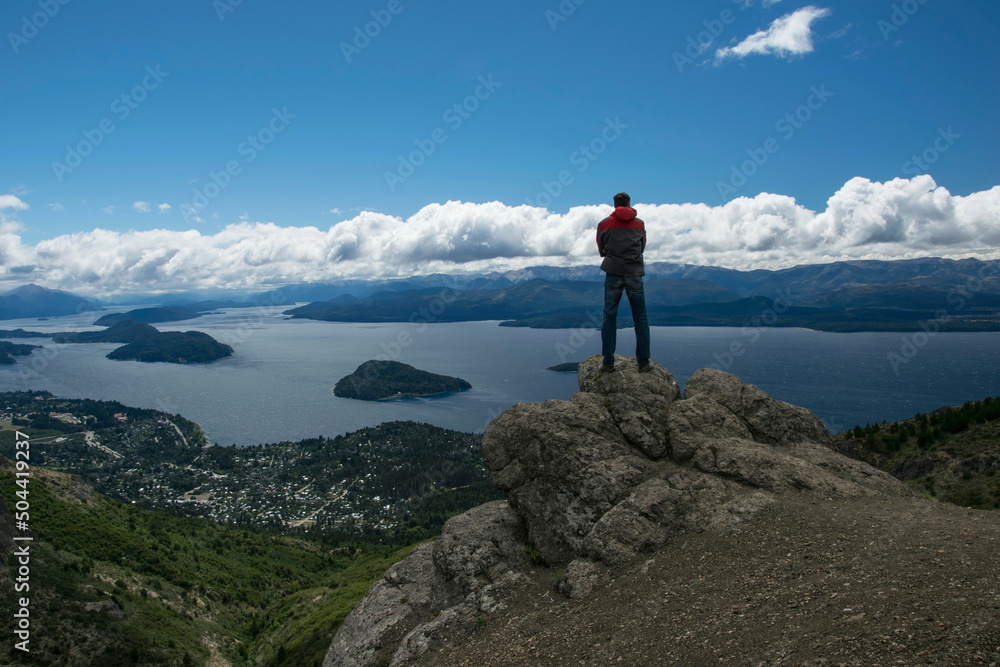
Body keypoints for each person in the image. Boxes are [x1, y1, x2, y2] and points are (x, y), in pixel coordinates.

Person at [596, 192, 651, 371]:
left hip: (613, 272)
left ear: (614, 205)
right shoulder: (639, 224)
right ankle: (643, 363)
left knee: (609, 318)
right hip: (634, 273)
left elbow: (601, 247)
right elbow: (642, 246)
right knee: (640, 318)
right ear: (629, 204)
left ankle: (608, 363)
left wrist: (611, 253)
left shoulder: (604, 224)